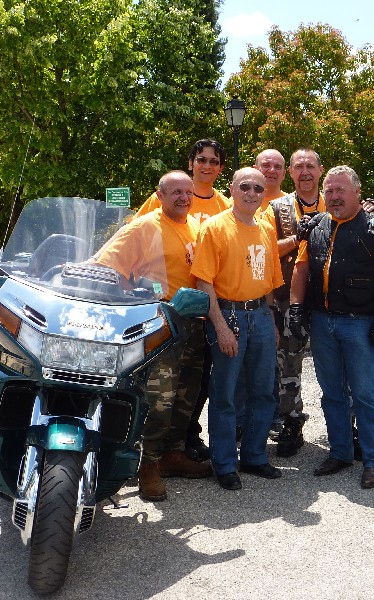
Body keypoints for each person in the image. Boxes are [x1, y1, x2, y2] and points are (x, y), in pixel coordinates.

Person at [95, 170, 212, 501]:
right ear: (159, 196)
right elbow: (106, 267)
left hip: (194, 324)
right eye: (176, 192)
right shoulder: (144, 226)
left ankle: (173, 455)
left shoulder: (195, 226)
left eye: (188, 192)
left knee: (187, 395)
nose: (184, 198)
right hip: (160, 324)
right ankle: (147, 466)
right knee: (159, 399)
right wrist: (137, 299)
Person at [290, 166, 374, 489]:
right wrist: (296, 308)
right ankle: (340, 452)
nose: (334, 196)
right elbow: (301, 269)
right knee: (332, 393)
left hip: (360, 323)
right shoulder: (315, 226)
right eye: (329, 191)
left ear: (357, 192)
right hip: (321, 321)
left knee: (365, 394)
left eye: (340, 190)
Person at [135, 140, 232, 462]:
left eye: (214, 161)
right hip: (165, 309)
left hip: (205, 308)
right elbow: (137, 239)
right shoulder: (162, 198)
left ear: (220, 168)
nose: (207, 165)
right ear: (191, 163)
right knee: (161, 387)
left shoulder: (224, 204)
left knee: (197, 381)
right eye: (201, 159)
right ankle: (151, 456)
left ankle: (185, 439)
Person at [192, 167, 284, 490]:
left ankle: (255, 456)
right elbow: (204, 282)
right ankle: (224, 463)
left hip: (260, 315)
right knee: (226, 393)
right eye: (245, 186)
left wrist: (271, 321)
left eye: (258, 188)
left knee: (263, 390)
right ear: (232, 189)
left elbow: (270, 281)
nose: (252, 193)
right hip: (228, 315)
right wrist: (220, 327)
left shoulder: (266, 229)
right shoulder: (215, 228)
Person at [259, 148, 327, 457]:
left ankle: (346, 427)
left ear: (320, 170)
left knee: (337, 365)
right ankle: (290, 423)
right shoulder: (277, 208)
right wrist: (297, 238)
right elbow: (264, 249)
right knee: (287, 365)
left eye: (310, 165)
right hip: (287, 299)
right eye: (299, 166)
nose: (305, 171)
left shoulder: (335, 200)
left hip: (329, 300)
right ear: (291, 172)